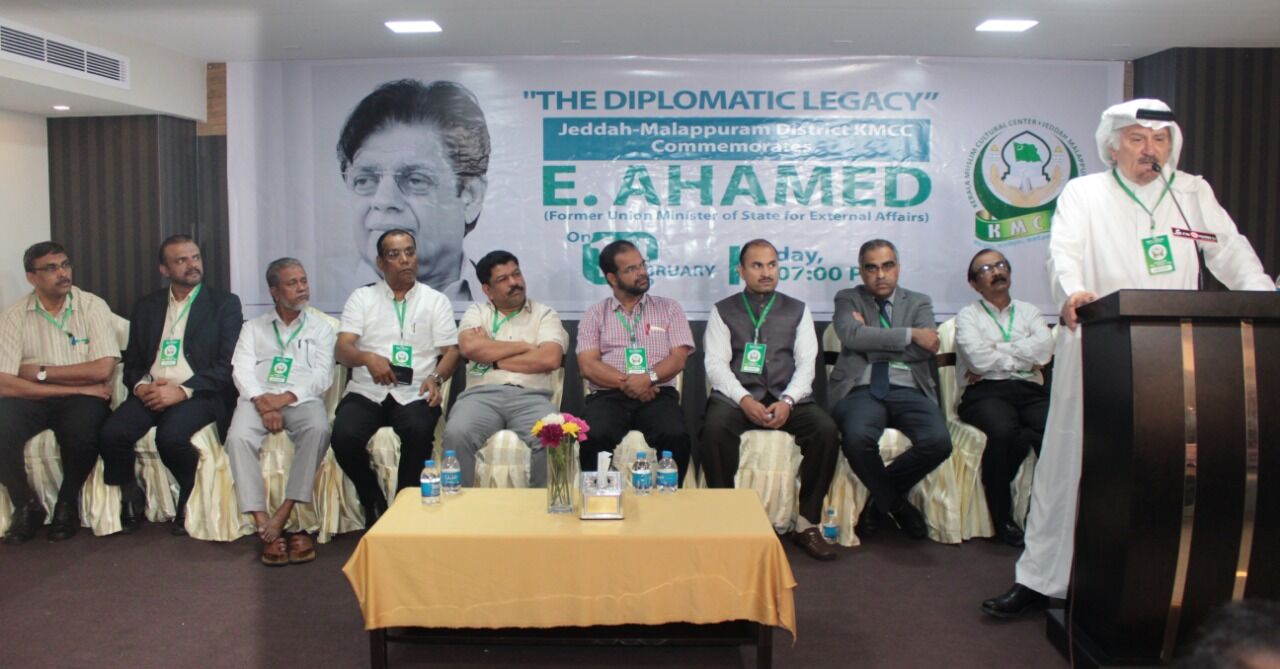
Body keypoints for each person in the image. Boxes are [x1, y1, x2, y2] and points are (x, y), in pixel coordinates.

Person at [982, 99, 1274, 619]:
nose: (1149, 149)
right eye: (1137, 139)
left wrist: (1263, 300)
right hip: (1099, 346)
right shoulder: (1084, 192)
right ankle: (1042, 577)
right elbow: (1063, 252)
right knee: (1070, 465)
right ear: (1113, 146)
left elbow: (1230, 250)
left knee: (1167, 469)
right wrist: (1073, 292)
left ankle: (1156, 583)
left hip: (1181, 359)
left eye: (1160, 139)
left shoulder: (1191, 192)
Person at [702, 240, 840, 561]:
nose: (766, 272)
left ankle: (806, 523)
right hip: (738, 397)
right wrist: (744, 399)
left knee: (826, 431)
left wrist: (788, 400)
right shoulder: (723, 310)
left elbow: (806, 365)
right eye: (757, 265)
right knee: (713, 429)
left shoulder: (798, 310)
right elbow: (716, 365)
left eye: (772, 265)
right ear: (741, 270)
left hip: (787, 396)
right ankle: (724, 518)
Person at [99, 234, 244, 536]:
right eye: (181, 260)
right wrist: (141, 387)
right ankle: (130, 493)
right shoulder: (147, 306)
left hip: (199, 393)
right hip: (152, 390)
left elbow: (227, 365)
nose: (192, 265)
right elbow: (133, 359)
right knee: (112, 433)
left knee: (171, 437)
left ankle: (189, 494)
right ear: (164, 269)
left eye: (195, 257)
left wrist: (181, 391)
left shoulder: (223, 304)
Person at [330, 229, 459, 526]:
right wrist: (367, 358)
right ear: (380, 262)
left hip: (415, 391)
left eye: (410, 252)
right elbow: (343, 348)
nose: (405, 260)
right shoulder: (362, 298)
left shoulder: (435, 300)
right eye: (394, 254)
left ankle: (404, 507)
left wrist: (436, 378)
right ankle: (372, 498)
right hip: (368, 390)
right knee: (343, 437)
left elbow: (451, 351)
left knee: (418, 431)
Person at [828, 239, 952, 541]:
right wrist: (910, 334)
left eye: (887, 266)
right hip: (860, 389)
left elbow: (926, 348)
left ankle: (878, 501)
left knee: (938, 442)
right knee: (856, 439)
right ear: (861, 272)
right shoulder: (848, 298)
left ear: (898, 267)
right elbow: (851, 336)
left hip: (910, 388)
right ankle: (897, 505)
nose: (880, 275)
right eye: (871, 268)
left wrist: (869, 340)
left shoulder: (919, 302)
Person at [0, 242, 119, 544]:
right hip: (34, 397)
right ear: (32, 277)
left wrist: (41, 372)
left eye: (65, 265)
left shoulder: (92, 306)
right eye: (51, 268)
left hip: (78, 400)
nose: (62, 273)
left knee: (83, 433)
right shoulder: (14, 315)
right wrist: (78, 385)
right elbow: (5, 383)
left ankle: (66, 504)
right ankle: (26, 504)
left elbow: (103, 369)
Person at [336, 79, 490, 302]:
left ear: (470, 196)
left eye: (416, 180)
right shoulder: (326, 301)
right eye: (365, 180)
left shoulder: (509, 301)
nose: (383, 200)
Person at [226, 258, 335, 566]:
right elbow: (241, 370)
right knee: (237, 438)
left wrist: (284, 398)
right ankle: (262, 520)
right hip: (257, 399)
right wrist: (263, 402)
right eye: (292, 283)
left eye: (303, 281)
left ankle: (284, 512)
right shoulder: (253, 328)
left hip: (301, 400)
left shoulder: (322, 328)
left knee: (318, 429)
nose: (302, 288)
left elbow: (322, 376)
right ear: (274, 292)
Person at [954, 248, 1053, 547]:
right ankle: (1001, 517)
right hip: (986, 392)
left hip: (1029, 391)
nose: (996, 272)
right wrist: (1022, 356)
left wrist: (997, 350)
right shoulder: (968, 315)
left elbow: (1044, 351)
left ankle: (1051, 516)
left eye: (1000, 265)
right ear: (974, 284)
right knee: (1001, 431)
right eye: (985, 269)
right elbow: (977, 359)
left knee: (1055, 430)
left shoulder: (1029, 311)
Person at [444, 251, 567, 486]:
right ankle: (459, 505)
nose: (514, 283)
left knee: (552, 434)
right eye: (503, 279)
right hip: (480, 397)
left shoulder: (545, 314)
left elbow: (549, 358)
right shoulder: (476, 312)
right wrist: (525, 346)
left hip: (531, 397)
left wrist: (492, 358)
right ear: (487, 290)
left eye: (516, 274)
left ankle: (542, 504)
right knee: (457, 433)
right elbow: (469, 347)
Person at [576, 240, 694, 480]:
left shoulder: (669, 308)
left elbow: (678, 358)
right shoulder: (595, 314)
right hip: (608, 395)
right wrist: (632, 383)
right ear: (612, 278)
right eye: (631, 269)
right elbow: (588, 365)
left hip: (658, 393)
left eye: (641, 265)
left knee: (675, 435)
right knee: (594, 435)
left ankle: (671, 498)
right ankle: (597, 496)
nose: (641, 273)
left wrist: (648, 378)